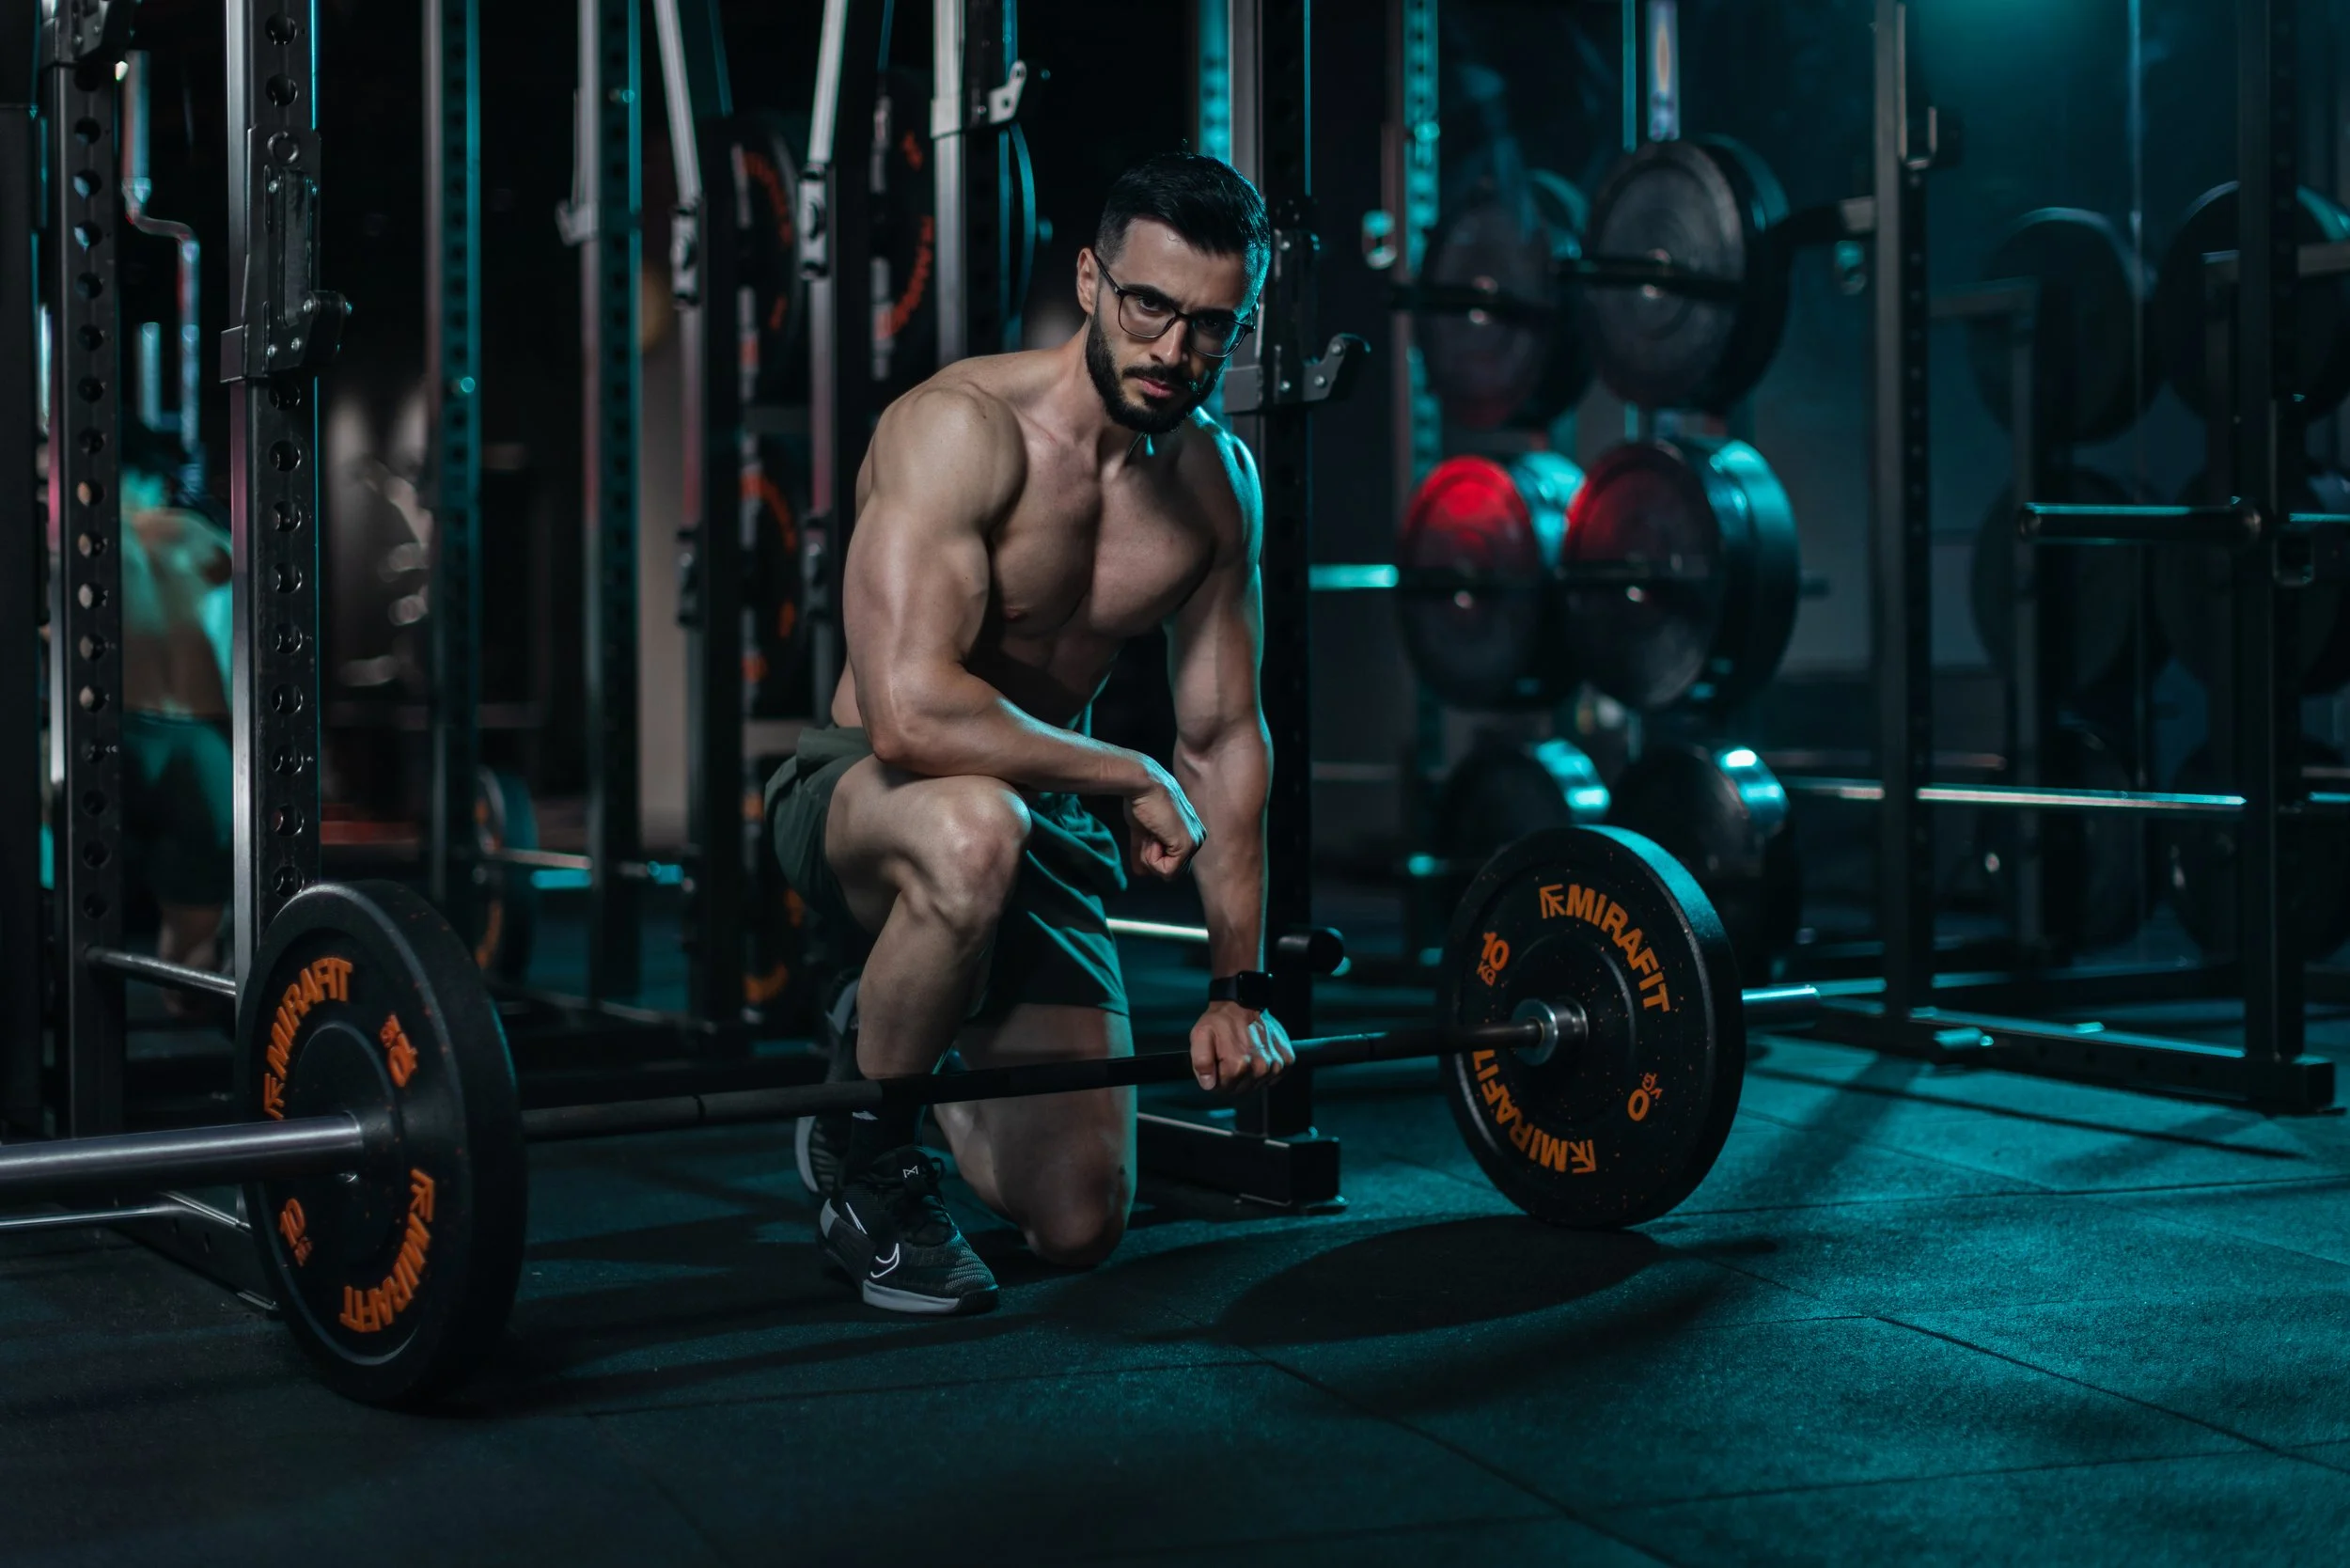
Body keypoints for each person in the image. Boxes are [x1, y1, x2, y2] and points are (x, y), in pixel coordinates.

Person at [766, 151, 1295, 1315]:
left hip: (1036, 821)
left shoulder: (1216, 487)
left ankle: (890, 1052)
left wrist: (1237, 988)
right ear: (1091, 279)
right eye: (1150, 306)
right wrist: (1125, 769)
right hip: (869, 793)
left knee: (1079, 1225)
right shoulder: (960, 430)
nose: (1175, 351)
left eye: (1213, 325)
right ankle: (867, 1172)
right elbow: (908, 713)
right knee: (971, 829)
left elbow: (1223, 740)